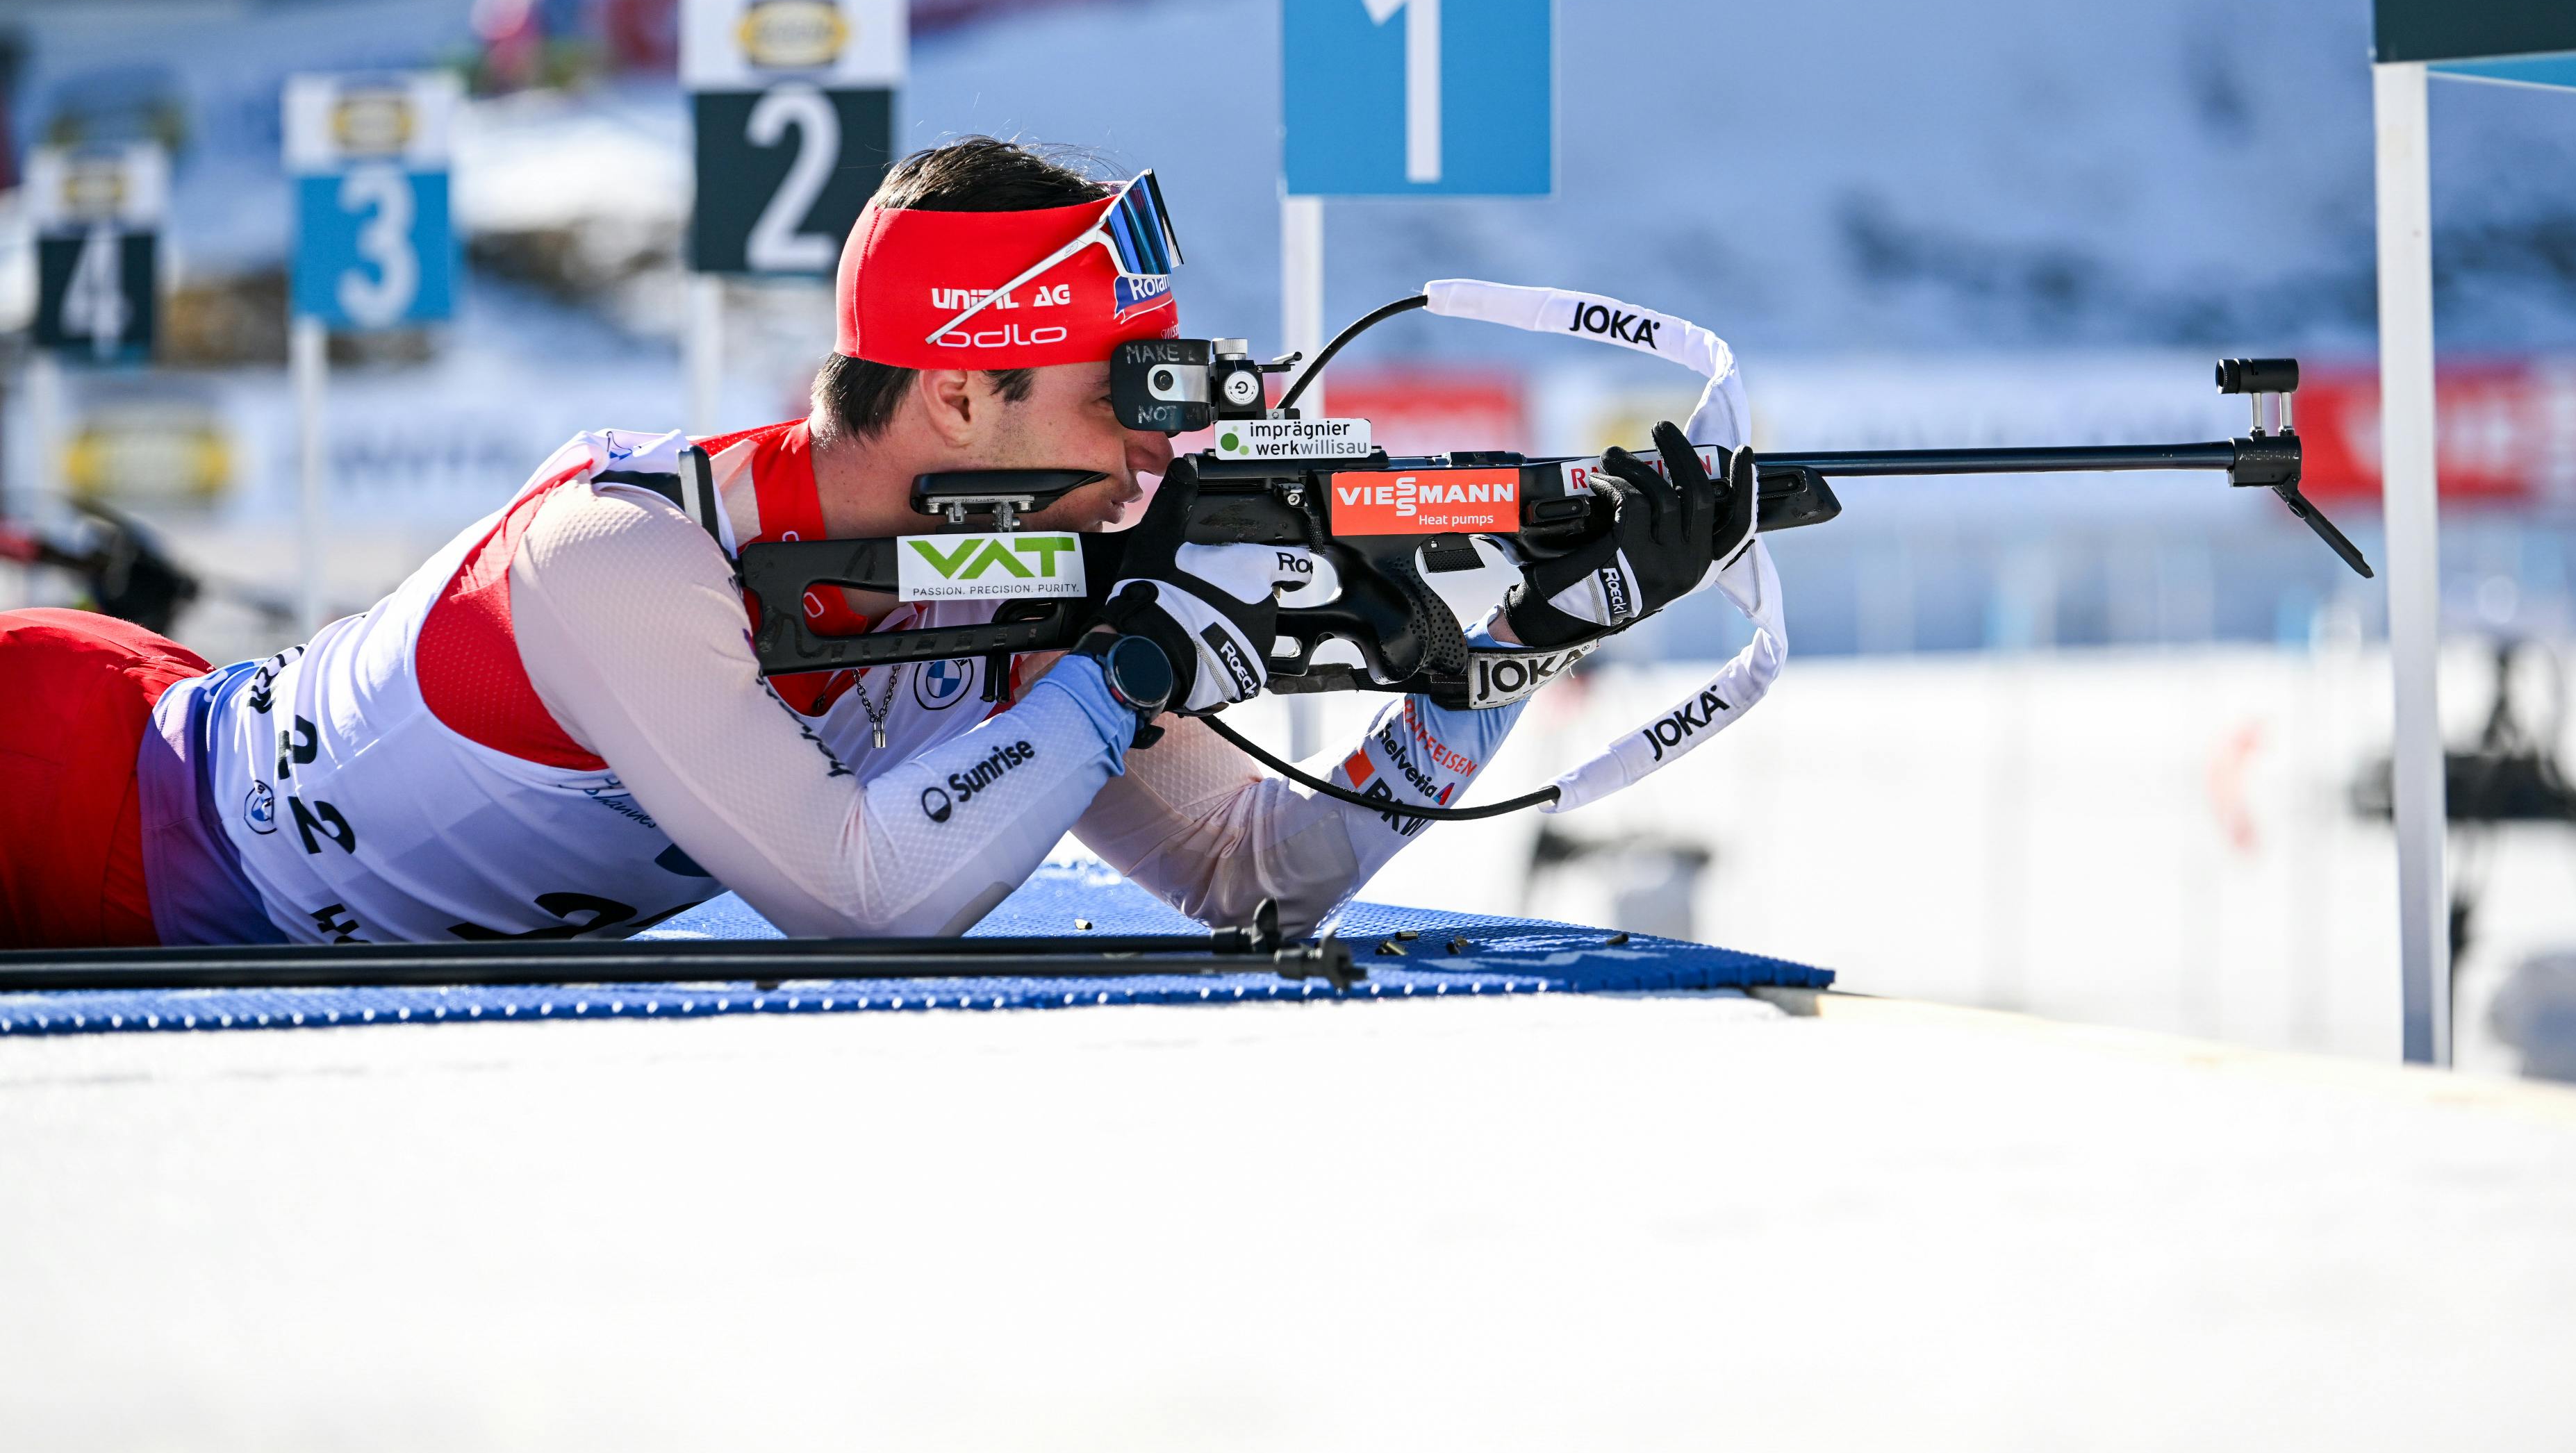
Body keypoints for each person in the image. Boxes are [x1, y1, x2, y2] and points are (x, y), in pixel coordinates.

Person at [0, 138, 1750, 951]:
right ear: (963, 398)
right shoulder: (618, 559)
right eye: (1121, 391)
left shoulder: (1029, 564)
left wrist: (1504, 655)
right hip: (79, 792)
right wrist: (1130, 667)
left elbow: (1253, 877)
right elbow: (858, 896)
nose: (1162, 441)